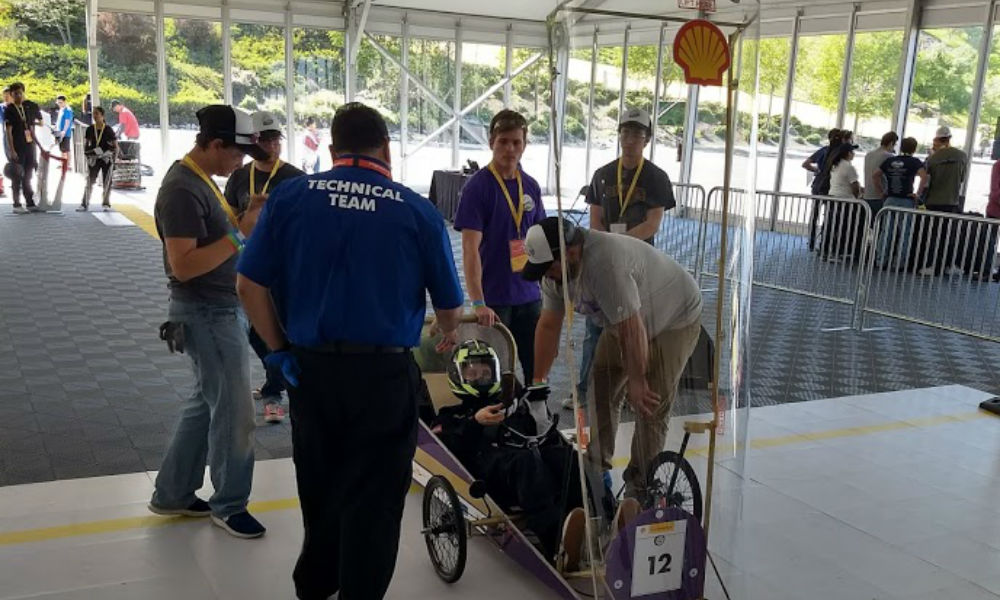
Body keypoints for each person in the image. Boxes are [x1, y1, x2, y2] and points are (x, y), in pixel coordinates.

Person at [236, 102, 464, 600]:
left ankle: (316, 586)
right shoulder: (416, 210)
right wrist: (442, 334)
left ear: (334, 149)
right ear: (386, 148)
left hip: (310, 371)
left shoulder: (291, 197)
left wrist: (277, 352)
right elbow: (449, 307)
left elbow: (248, 285)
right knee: (377, 495)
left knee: (320, 485)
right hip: (383, 375)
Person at [147, 105, 270, 539]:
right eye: (237, 152)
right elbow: (183, 265)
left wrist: (240, 219)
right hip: (207, 313)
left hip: (216, 309)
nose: (241, 161)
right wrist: (242, 232)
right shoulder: (181, 189)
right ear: (214, 144)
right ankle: (230, 504)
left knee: (205, 406)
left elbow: (210, 242)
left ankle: (173, 492)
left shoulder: (200, 182)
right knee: (236, 414)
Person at [524, 217, 703, 502]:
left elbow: (633, 329)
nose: (547, 276)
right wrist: (537, 383)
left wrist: (636, 380)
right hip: (626, 319)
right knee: (602, 384)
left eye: (549, 268)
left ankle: (640, 487)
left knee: (648, 402)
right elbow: (547, 326)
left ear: (570, 251)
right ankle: (596, 467)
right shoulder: (554, 275)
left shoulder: (604, 263)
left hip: (674, 317)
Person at [428, 339, 583, 564]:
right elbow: (446, 447)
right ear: (458, 376)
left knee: (567, 456)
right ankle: (555, 543)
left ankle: (600, 521)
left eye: (486, 371)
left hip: (528, 466)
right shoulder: (450, 415)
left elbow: (542, 439)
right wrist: (475, 422)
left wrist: (538, 414)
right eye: (473, 373)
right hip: (490, 478)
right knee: (526, 462)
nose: (481, 377)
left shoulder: (512, 405)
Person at [566, 107, 675, 411]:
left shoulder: (656, 178)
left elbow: (653, 223)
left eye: (637, 135)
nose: (630, 140)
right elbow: (595, 220)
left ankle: (630, 389)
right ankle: (585, 389)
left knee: (635, 328)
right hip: (601, 263)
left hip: (639, 266)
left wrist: (619, 245)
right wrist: (607, 246)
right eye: (626, 133)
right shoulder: (602, 175)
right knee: (595, 329)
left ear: (647, 139)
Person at [222, 110, 304, 423]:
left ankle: (275, 393)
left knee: (274, 331)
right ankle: (276, 381)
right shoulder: (240, 177)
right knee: (254, 332)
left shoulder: (295, 178)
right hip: (244, 264)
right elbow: (229, 217)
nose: (272, 147)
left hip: (282, 270)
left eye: (276, 140)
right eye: (265, 140)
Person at [454, 109, 546, 384]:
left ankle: (535, 420)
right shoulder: (477, 188)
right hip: (493, 301)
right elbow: (470, 250)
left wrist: (553, 289)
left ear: (525, 145)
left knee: (536, 369)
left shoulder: (530, 186)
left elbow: (540, 240)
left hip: (530, 296)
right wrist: (478, 301)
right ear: (491, 142)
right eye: (503, 141)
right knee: (492, 373)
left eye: (516, 142)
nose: (509, 149)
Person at [920, 126, 968, 276]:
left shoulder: (932, 158)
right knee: (949, 235)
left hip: (933, 201)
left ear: (936, 139)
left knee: (932, 235)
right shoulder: (962, 156)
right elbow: (962, 179)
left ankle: (930, 265)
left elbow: (926, 181)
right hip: (952, 201)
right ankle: (947, 265)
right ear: (949, 138)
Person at [872, 137, 927, 270]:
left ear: (901, 147)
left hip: (890, 199)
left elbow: (875, 175)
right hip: (906, 200)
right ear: (914, 149)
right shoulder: (915, 162)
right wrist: (918, 194)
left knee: (886, 231)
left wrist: (881, 192)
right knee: (905, 233)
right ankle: (899, 263)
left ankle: (880, 260)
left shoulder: (890, 161)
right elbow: (924, 176)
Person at [5, 82, 42, 214]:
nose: (18, 96)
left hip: (29, 146)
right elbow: (8, 131)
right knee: (17, 175)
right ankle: (16, 204)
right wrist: (12, 150)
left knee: (28, 174)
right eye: (15, 94)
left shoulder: (27, 107)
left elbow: (31, 128)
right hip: (18, 146)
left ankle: (30, 202)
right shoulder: (9, 109)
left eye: (20, 93)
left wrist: (38, 146)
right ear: (11, 95)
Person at [77, 106, 117, 212]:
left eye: (97, 114)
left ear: (102, 116)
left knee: (107, 181)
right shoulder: (90, 129)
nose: (94, 116)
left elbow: (115, 145)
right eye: (94, 113)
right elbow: (86, 144)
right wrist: (87, 155)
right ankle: (84, 203)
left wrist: (114, 160)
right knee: (90, 180)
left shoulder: (108, 129)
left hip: (106, 158)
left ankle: (106, 203)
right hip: (94, 158)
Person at [863, 131, 898, 215]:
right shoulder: (888, 156)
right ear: (891, 143)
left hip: (867, 196)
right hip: (879, 197)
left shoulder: (868, 154)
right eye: (895, 145)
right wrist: (881, 193)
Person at [54, 95, 73, 159]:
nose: (59, 104)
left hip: (65, 133)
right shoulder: (61, 110)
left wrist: (64, 131)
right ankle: (63, 162)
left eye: (61, 102)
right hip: (59, 132)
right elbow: (59, 121)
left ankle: (68, 164)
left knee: (66, 149)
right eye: (58, 102)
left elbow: (67, 122)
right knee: (61, 148)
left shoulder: (68, 110)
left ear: (64, 102)